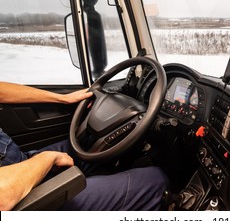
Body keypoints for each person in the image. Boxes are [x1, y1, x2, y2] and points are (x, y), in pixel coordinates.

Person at [0, 81, 169, 211]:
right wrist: (48, 158)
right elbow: (3, 198)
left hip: (17, 166)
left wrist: (63, 98)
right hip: (27, 202)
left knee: (86, 147)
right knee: (154, 181)